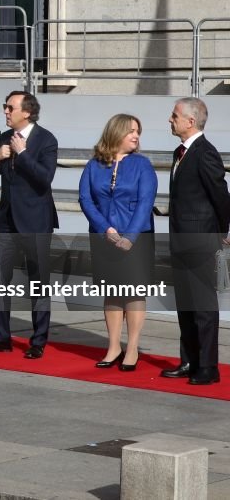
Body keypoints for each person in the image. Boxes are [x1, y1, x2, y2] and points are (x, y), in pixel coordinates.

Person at [0, 91, 58, 359]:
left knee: (38, 283)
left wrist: (22, 154)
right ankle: (1, 337)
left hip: (36, 222)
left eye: (10, 107)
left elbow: (44, 179)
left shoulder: (46, 140)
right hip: (6, 222)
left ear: (27, 111)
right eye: (5, 107)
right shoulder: (4, 137)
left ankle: (38, 341)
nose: (5, 111)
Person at [78, 114, 158, 372]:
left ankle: (132, 348)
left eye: (138, 131)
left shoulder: (142, 165)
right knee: (112, 293)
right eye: (131, 131)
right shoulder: (94, 165)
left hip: (136, 238)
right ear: (116, 133)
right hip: (104, 237)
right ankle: (113, 347)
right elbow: (85, 199)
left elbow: (146, 203)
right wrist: (105, 229)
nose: (136, 136)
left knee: (134, 293)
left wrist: (129, 237)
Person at [163, 97, 230, 385]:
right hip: (181, 241)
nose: (170, 119)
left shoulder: (205, 152)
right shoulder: (180, 152)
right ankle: (189, 360)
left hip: (201, 241)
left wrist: (223, 231)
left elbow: (220, 195)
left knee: (203, 306)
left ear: (190, 121)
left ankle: (208, 366)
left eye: (175, 115)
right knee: (186, 305)